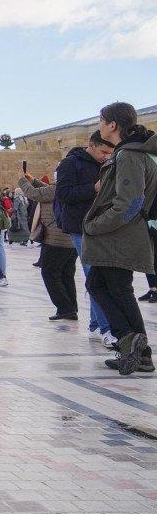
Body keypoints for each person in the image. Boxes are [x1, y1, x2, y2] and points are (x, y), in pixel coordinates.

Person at [82, 102, 157, 375]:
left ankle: (134, 343)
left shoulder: (129, 155)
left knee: (115, 287)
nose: (99, 126)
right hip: (116, 236)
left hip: (118, 236)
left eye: (101, 121)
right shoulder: (129, 153)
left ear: (112, 125)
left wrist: (94, 225)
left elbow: (130, 203)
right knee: (100, 284)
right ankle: (137, 349)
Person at [56, 132, 116, 345]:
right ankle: (106, 328)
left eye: (110, 153)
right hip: (81, 229)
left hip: (102, 227)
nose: (106, 156)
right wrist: (94, 188)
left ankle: (95, 325)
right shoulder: (70, 164)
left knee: (97, 276)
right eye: (103, 152)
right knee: (95, 275)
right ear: (91, 145)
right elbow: (63, 194)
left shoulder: (108, 164)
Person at [18, 170, 77, 320]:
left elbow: (34, 194)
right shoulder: (69, 187)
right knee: (66, 274)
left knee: (49, 273)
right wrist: (34, 180)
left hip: (56, 239)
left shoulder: (58, 188)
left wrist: (22, 180)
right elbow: (46, 191)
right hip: (70, 239)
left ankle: (64, 308)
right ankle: (70, 308)